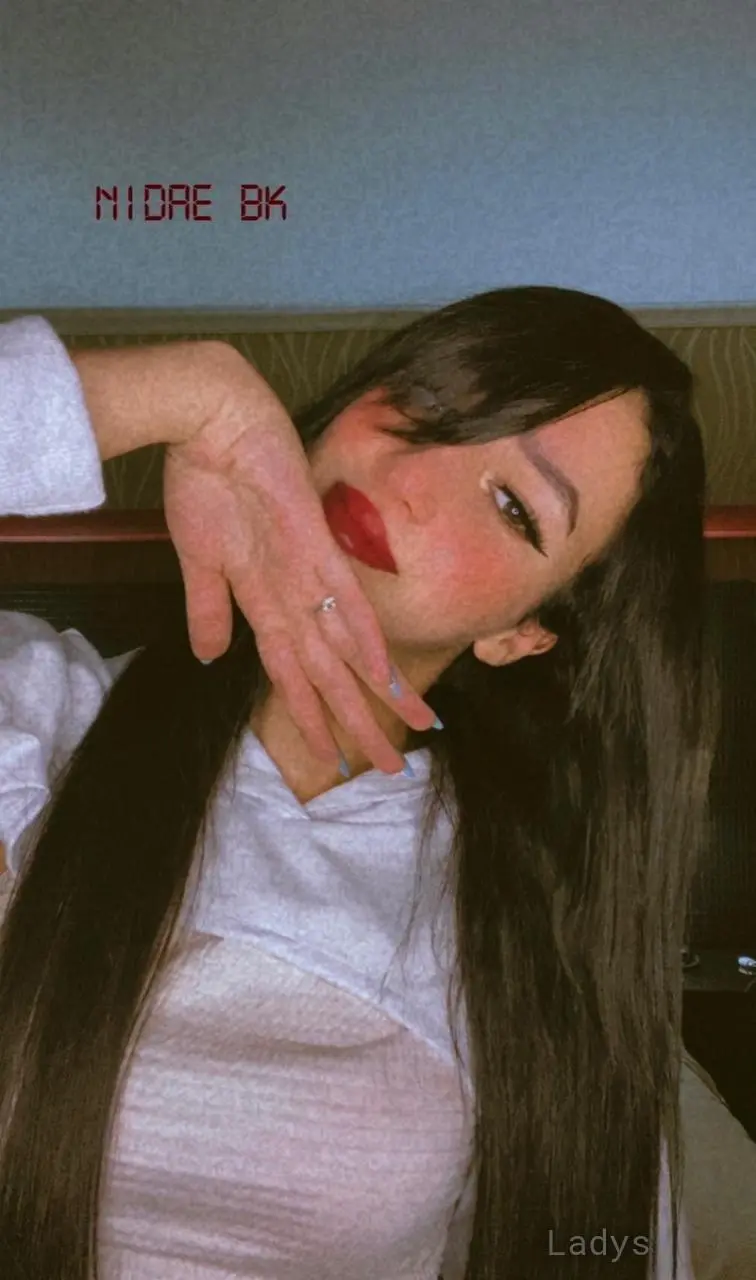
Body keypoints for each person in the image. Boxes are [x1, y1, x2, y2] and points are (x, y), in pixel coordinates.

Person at [0, 291, 752, 1279]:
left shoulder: (531, 939)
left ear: (524, 632)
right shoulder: (41, 714)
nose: (407, 479)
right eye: (427, 403)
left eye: (512, 505)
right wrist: (180, 392)